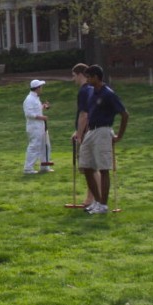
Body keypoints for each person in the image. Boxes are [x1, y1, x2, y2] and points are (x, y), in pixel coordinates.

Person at [78, 65, 129, 214]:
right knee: (86, 167)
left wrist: (119, 135)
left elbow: (124, 114)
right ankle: (97, 201)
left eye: (89, 77)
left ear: (96, 77)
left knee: (103, 168)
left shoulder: (108, 94)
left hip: (103, 131)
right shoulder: (91, 92)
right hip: (90, 131)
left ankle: (103, 205)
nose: (87, 80)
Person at [71, 63, 99, 207]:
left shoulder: (84, 91)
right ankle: (92, 198)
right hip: (94, 130)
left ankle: (94, 199)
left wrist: (79, 134)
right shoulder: (93, 89)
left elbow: (84, 115)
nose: (73, 79)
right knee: (92, 167)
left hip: (88, 132)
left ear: (80, 74)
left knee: (89, 167)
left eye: (74, 76)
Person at [23, 79, 52, 174]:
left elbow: (35, 109)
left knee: (45, 146)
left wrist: (44, 106)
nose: (42, 89)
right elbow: (28, 113)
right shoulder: (29, 99)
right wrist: (41, 117)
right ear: (37, 88)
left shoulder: (35, 98)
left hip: (41, 126)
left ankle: (45, 166)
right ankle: (28, 168)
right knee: (34, 146)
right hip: (34, 127)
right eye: (41, 87)